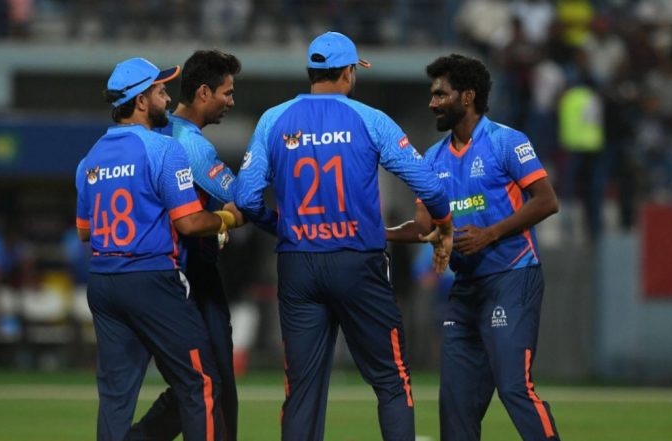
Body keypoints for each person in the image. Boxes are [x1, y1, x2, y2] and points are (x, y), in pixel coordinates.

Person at [234, 31, 454, 441]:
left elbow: (245, 198)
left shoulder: (273, 119)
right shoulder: (369, 119)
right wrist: (444, 225)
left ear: (312, 72)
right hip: (358, 262)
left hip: (298, 262)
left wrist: (279, 224)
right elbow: (430, 186)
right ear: (348, 72)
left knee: (302, 390)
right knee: (391, 380)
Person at [387, 54, 561, 441]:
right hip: (465, 290)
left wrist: (491, 233)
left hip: (512, 278)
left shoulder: (506, 142)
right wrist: (372, 232)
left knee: (515, 388)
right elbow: (422, 227)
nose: (432, 102)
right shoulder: (431, 159)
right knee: (456, 405)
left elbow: (547, 200)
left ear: (467, 97)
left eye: (440, 94)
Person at [75, 57, 239, 441]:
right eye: (161, 91)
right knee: (201, 382)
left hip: (102, 281)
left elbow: (85, 231)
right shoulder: (163, 150)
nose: (168, 98)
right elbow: (191, 223)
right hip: (151, 279)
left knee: (116, 396)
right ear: (141, 101)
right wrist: (229, 219)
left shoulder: (89, 160)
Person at [129, 49, 275, 441]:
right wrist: (289, 228)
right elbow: (244, 200)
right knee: (216, 381)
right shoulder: (189, 144)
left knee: (192, 383)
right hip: (194, 274)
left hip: (153, 271)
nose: (231, 101)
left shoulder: (154, 132)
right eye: (227, 93)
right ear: (204, 92)